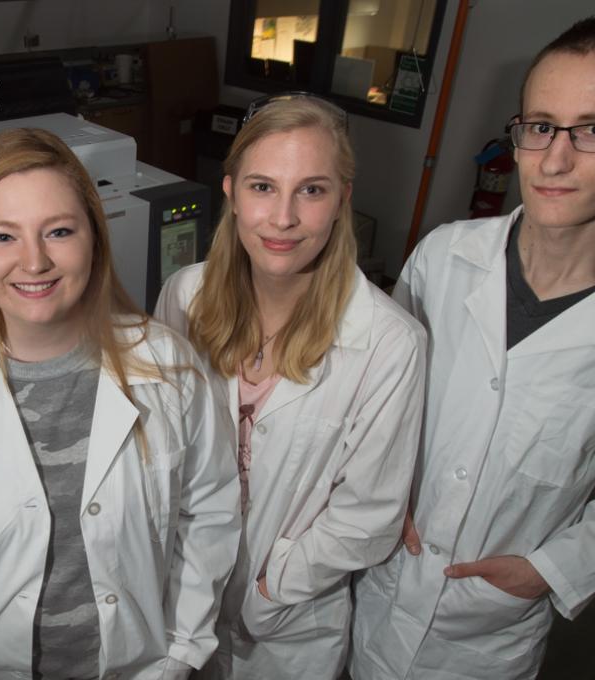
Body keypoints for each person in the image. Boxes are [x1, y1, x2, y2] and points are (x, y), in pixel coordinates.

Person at [0, 128, 241, 680]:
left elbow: (210, 513)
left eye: (58, 231)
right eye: (3, 236)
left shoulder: (167, 366)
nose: (33, 262)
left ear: (94, 239)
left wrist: (177, 653)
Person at [350, 15, 595, 680]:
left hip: (485, 631)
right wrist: (374, 490)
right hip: (371, 581)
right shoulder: (443, 257)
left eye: (594, 129)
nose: (554, 161)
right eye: (539, 126)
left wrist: (547, 571)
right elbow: (378, 400)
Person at [155, 94, 426, 679]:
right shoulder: (183, 296)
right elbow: (161, 449)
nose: (283, 218)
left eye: (311, 189)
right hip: (181, 597)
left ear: (342, 201)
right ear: (228, 190)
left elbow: (369, 515)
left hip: (289, 626)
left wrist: (272, 587)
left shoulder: (389, 341)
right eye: (261, 187)